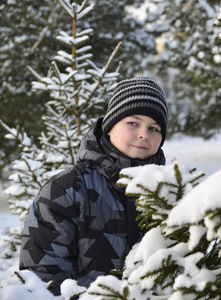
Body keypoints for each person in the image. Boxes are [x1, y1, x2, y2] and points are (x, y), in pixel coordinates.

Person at [19, 77, 169, 295]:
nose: (144, 134)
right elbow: (42, 279)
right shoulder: (66, 190)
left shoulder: (168, 192)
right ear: (109, 127)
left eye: (154, 128)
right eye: (133, 123)